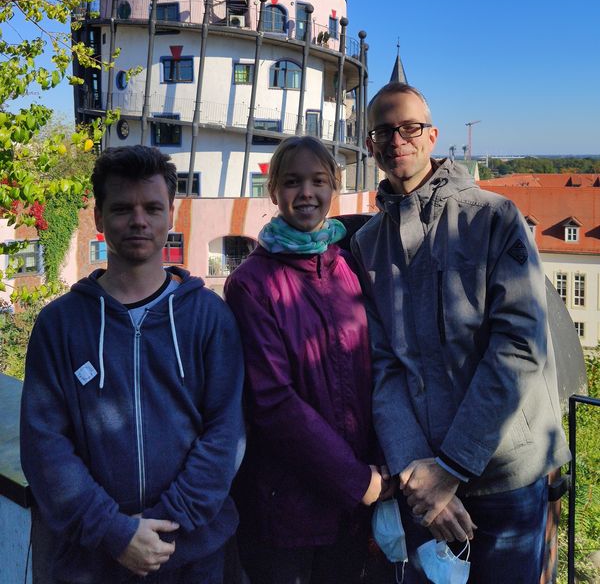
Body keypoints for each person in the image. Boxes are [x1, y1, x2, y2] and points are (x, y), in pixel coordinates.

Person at [351, 83, 570, 583]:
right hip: (424, 479)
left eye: (409, 128)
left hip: (505, 476)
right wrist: (417, 470)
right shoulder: (368, 244)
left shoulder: (492, 217)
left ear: (432, 136)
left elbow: (519, 347)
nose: (396, 140)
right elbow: (383, 367)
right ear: (369, 146)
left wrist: (450, 469)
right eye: (383, 131)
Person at [20, 145, 245, 584]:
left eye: (152, 208)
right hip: (91, 561)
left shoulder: (209, 317)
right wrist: (116, 532)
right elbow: (44, 445)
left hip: (193, 557)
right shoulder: (59, 324)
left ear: (170, 215)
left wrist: (165, 526)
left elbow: (226, 433)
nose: (139, 220)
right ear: (99, 218)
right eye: (122, 208)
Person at [224, 136, 391, 584]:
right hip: (288, 510)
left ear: (334, 186)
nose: (307, 193)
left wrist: (378, 467)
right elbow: (272, 401)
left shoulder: (347, 267)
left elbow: (376, 370)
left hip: (353, 505)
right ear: (273, 190)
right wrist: (356, 480)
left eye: (318, 181)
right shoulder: (251, 284)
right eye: (292, 182)